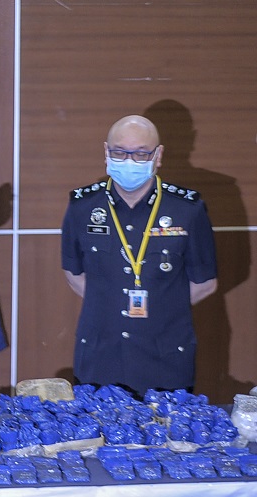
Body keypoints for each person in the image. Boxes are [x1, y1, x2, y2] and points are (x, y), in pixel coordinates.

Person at [61, 114, 217, 397]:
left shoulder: (188, 209)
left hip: (166, 361)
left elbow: (205, 282)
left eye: (141, 153)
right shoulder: (82, 207)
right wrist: (112, 300)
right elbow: (73, 274)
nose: (129, 161)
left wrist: (159, 306)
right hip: (99, 359)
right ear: (106, 152)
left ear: (158, 156)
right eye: (120, 152)